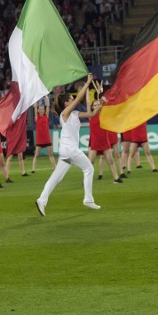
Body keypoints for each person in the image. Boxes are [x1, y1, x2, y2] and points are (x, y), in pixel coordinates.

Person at [35, 75, 103, 216]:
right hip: (71, 150)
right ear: (66, 103)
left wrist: (100, 102)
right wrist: (88, 83)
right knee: (89, 169)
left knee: (56, 177)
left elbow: (91, 114)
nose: (73, 100)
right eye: (70, 100)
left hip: (66, 151)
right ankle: (88, 199)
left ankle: (42, 200)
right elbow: (79, 99)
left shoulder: (75, 114)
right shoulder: (65, 114)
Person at [31, 97, 55, 174]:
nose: (41, 110)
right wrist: (35, 98)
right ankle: (33, 169)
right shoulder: (36, 117)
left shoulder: (46, 116)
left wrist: (46, 97)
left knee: (51, 155)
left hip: (47, 139)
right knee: (36, 155)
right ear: (38, 110)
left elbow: (47, 105)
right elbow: (35, 106)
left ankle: (55, 168)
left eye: (42, 109)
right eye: (40, 109)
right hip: (40, 139)